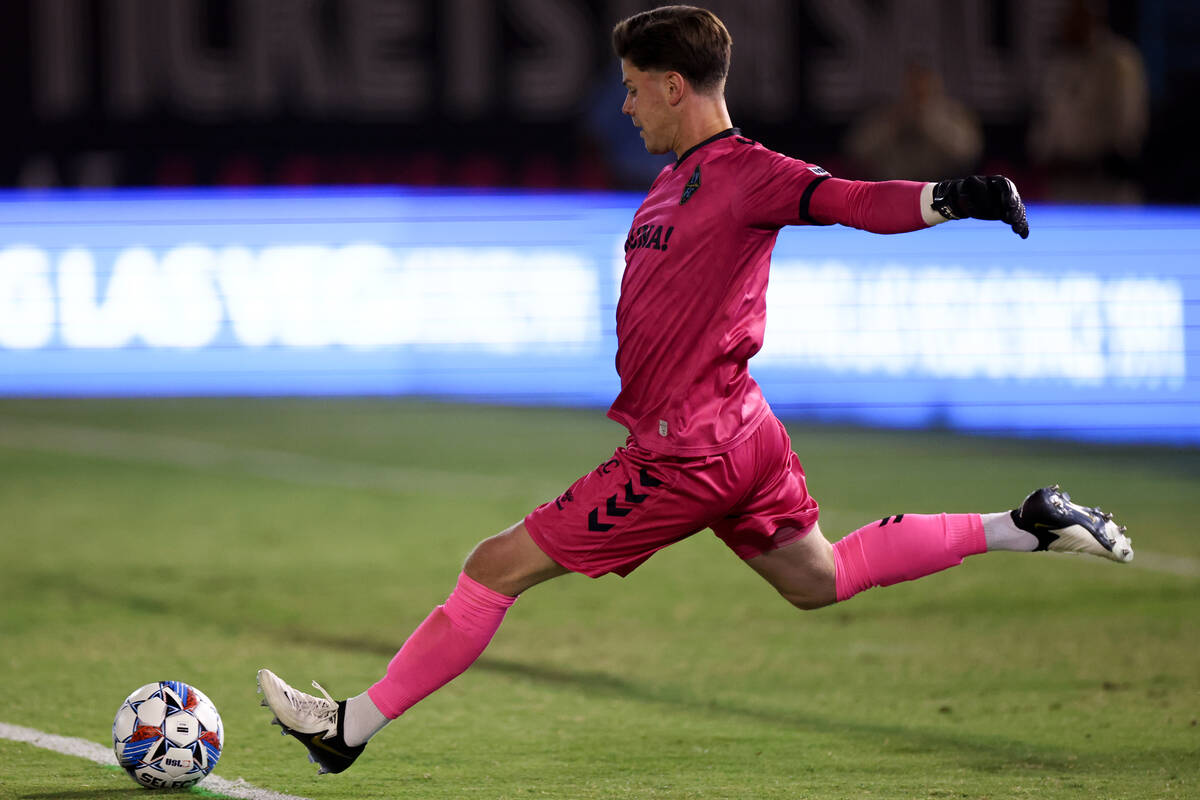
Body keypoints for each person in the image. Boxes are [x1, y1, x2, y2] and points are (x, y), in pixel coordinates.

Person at [257, 5, 1133, 776]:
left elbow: (850, 200)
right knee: (818, 578)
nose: (626, 106)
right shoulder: (674, 180)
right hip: (739, 431)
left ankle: (349, 728)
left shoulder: (749, 172)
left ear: (676, 86)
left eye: (635, 88)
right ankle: (1021, 526)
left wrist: (955, 197)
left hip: (685, 452)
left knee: (494, 567)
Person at [1026, 0, 1149, 203]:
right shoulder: (1058, 64)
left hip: (1107, 189)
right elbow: (1043, 129)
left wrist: (1086, 159)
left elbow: (1129, 132)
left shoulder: (1120, 62)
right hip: (1061, 189)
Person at [845, 59, 983, 182]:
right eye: (912, 85)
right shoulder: (885, 114)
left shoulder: (954, 114)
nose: (917, 90)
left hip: (941, 189)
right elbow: (857, 152)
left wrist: (929, 122)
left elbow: (968, 153)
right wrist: (893, 124)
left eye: (923, 84)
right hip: (892, 188)